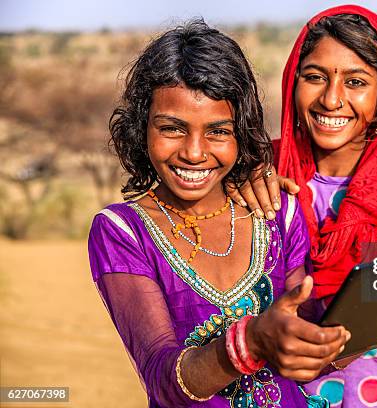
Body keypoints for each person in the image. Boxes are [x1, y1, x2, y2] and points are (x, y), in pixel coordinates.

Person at [88, 19, 350, 408]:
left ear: (241, 132)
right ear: (142, 128)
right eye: (173, 128)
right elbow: (164, 382)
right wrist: (250, 341)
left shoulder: (278, 214)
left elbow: (313, 348)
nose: (194, 152)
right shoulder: (123, 232)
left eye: (218, 132)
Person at [228, 5, 377, 407]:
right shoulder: (257, 179)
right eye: (315, 77)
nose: (332, 99)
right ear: (293, 83)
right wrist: (242, 177)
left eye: (356, 82)